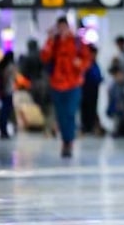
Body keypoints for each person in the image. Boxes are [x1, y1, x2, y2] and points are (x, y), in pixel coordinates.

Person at [40, 16, 91, 158]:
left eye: (64, 27)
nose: (62, 30)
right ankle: (65, 140)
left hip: (73, 84)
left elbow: (87, 60)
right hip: (56, 84)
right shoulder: (54, 42)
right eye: (60, 27)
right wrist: (50, 39)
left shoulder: (77, 42)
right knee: (61, 115)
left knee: (70, 113)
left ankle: (69, 142)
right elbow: (44, 57)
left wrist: (79, 64)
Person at [80, 44, 104, 135]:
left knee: (92, 108)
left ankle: (90, 127)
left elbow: (97, 76)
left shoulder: (94, 63)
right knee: (86, 108)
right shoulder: (87, 63)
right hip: (86, 88)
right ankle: (86, 127)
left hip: (93, 88)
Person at [0, 51, 17, 139]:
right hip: (8, 91)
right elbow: (10, 78)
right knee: (5, 112)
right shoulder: (10, 67)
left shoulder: (3, 66)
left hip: (4, 91)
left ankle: (3, 130)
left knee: (4, 111)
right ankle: (3, 130)